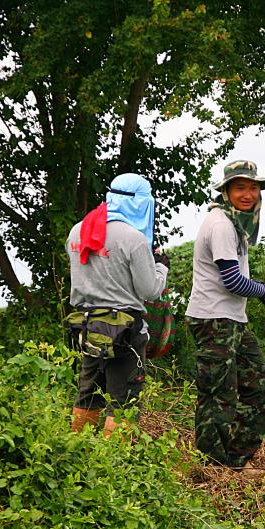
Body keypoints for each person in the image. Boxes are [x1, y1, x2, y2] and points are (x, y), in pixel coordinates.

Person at [186, 159, 265, 473]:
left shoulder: (235, 223)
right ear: (227, 190)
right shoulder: (220, 224)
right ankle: (211, 468)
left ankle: (235, 462)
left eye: (253, 188)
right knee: (219, 395)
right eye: (240, 187)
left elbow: (238, 282)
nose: (248, 194)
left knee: (261, 383)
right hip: (213, 320)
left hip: (233, 320)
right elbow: (233, 281)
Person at [65, 173, 169, 437]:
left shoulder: (79, 230)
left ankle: (77, 454)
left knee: (87, 395)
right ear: (139, 203)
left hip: (88, 327)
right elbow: (150, 290)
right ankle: (115, 467)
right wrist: (160, 267)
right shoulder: (132, 239)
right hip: (124, 330)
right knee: (123, 404)